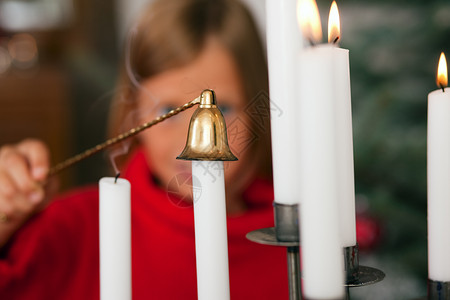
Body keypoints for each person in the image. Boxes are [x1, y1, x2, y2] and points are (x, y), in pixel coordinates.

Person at [0, 0, 289, 299]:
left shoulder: (297, 238)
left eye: (223, 108)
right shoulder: (75, 230)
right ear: (135, 112)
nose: (190, 143)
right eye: (168, 110)